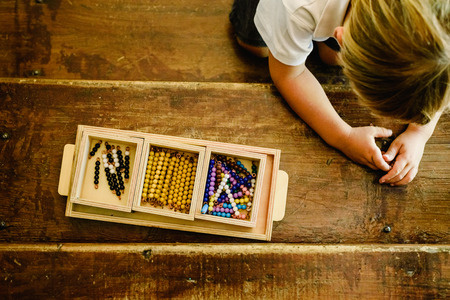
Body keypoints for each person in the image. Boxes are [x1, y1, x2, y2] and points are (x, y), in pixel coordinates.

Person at [230, 0, 449, 186]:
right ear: (341, 37)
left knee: (329, 57)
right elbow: (288, 75)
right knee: (257, 48)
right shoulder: (294, 7)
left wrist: (420, 131)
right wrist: (342, 136)